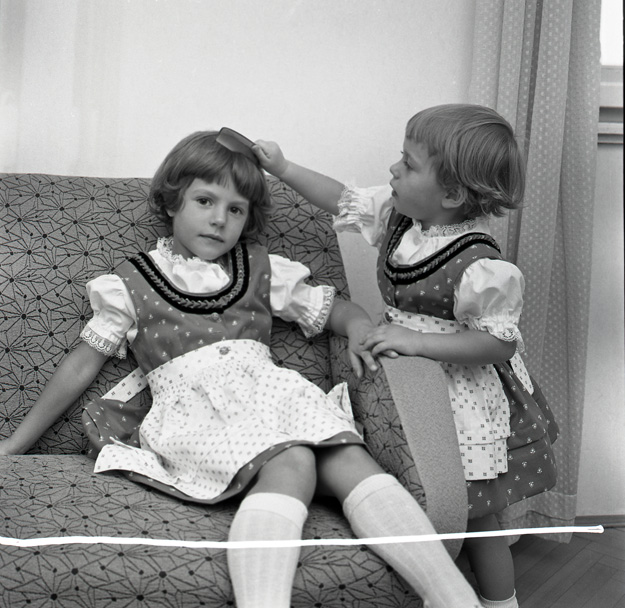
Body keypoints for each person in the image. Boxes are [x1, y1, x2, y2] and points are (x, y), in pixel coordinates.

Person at [0, 131, 482, 608]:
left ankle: (454, 599)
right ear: (171, 202)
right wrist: (16, 443)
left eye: (236, 210)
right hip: (197, 415)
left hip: (276, 398)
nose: (219, 219)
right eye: (204, 201)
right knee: (293, 462)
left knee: (349, 458)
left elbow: (334, 309)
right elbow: (81, 365)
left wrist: (357, 326)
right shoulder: (132, 282)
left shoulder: (260, 268)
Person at [254, 104, 559, 608]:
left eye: (409, 164)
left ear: (452, 194)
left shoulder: (481, 265)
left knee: (476, 516)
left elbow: (498, 343)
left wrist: (416, 341)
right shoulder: (401, 220)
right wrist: (283, 167)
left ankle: (499, 602)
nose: (394, 170)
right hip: (402, 384)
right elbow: (340, 198)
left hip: (459, 399)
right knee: (409, 491)